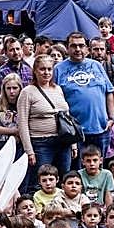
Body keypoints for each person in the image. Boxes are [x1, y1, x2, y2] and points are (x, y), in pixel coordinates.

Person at [55, 33, 114, 156]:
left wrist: (111, 118)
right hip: (75, 132)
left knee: (99, 168)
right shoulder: (58, 69)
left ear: (87, 48)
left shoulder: (96, 65)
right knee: (77, 171)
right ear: (67, 48)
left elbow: (109, 92)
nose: (78, 49)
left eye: (81, 46)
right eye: (73, 46)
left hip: (101, 129)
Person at [19, 54, 74, 182]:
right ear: (35, 71)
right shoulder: (27, 92)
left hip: (62, 141)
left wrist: (73, 144)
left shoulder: (58, 89)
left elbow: (67, 116)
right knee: (41, 181)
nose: (46, 72)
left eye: (49, 69)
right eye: (42, 69)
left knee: (63, 179)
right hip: (41, 143)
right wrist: (29, 151)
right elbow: (22, 123)